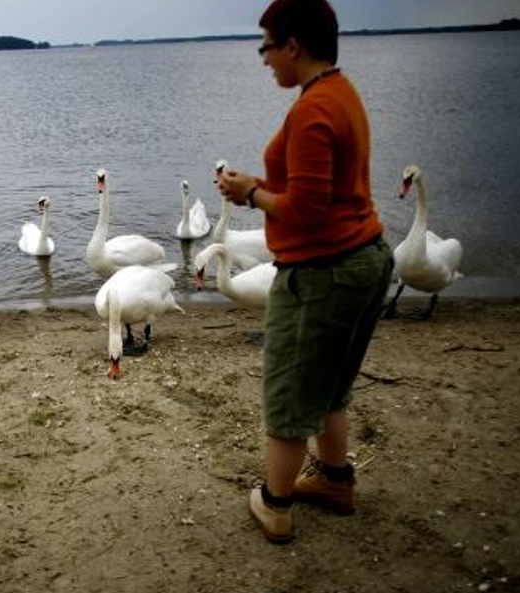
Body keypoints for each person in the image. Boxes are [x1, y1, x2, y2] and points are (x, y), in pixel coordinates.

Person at [216, 0, 394, 544]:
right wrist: (263, 189)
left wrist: (250, 193)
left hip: (324, 270)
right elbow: (323, 193)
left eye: (266, 47)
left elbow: (308, 210)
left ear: (293, 45)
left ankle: (275, 505)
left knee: (290, 392)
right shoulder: (342, 93)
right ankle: (335, 480)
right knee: (331, 384)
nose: (264, 59)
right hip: (365, 256)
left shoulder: (314, 110)